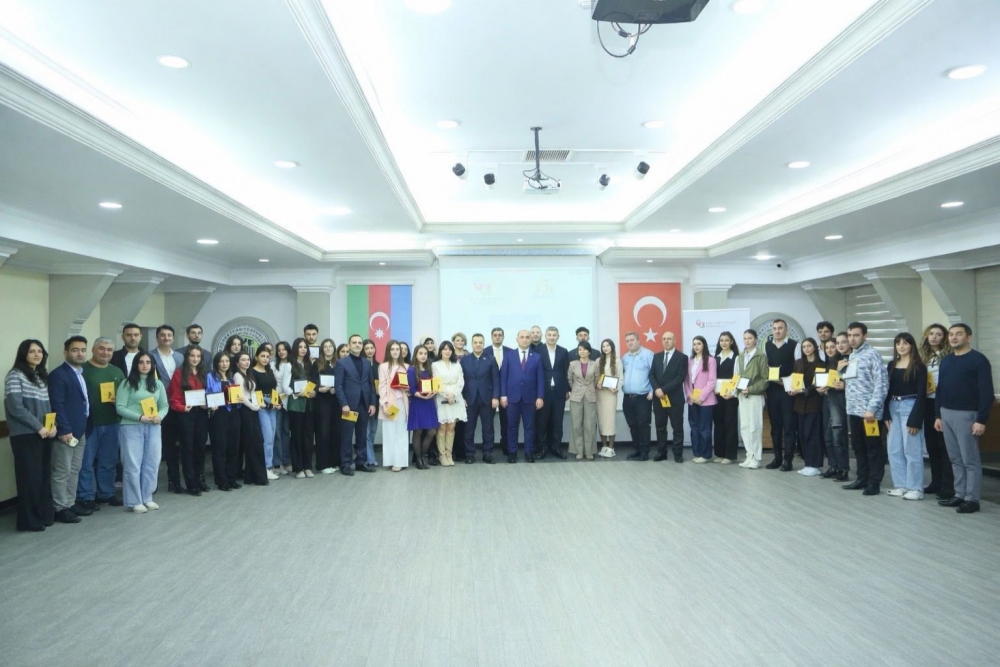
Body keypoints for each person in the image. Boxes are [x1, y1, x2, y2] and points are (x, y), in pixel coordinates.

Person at [935, 323, 995, 514]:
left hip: (967, 415)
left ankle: (972, 499)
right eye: (951, 334)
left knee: (970, 460)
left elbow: (987, 393)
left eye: (959, 334)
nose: (953, 337)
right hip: (946, 413)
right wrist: (938, 415)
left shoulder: (978, 360)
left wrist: (981, 419)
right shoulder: (946, 361)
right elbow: (940, 389)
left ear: (968, 337)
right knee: (955, 458)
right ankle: (959, 494)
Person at [4, 340, 57, 531]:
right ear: (23, 354)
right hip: (25, 435)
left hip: (44, 434)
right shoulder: (15, 375)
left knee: (43, 477)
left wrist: (52, 426)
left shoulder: (40, 377)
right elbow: (15, 407)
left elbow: (47, 407)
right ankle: (29, 521)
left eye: (40, 351)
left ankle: (44, 516)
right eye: (32, 351)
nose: (37, 354)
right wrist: (39, 427)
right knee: (29, 479)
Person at [46, 336, 92, 523]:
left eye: (83, 350)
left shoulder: (80, 373)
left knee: (74, 469)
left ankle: (70, 503)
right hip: (66, 433)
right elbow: (57, 403)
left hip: (79, 431)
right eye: (75, 350)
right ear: (65, 352)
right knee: (62, 471)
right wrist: (64, 429)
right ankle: (60, 508)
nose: (80, 353)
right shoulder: (58, 374)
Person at [116, 352, 169, 513]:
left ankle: (147, 498)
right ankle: (134, 501)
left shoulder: (158, 384)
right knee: (132, 464)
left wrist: (159, 416)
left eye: (148, 362)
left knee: (152, 463)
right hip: (131, 427)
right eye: (141, 362)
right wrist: (140, 417)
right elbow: (120, 407)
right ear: (135, 364)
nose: (144, 365)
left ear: (152, 365)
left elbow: (164, 405)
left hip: (153, 427)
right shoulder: (126, 383)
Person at [841, 322, 889, 496]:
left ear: (865, 336)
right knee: (858, 447)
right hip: (853, 410)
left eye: (856, 335)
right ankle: (862, 478)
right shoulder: (852, 355)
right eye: (849, 335)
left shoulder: (872, 354)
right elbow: (850, 381)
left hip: (869, 413)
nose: (852, 339)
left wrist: (872, 409)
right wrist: (840, 371)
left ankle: (874, 482)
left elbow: (881, 384)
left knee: (873, 448)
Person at [79, 337, 125, 509]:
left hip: (113, 423)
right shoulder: (82, 370)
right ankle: (86, 496)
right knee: (86, 462)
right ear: (93, 349)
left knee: (109, 462)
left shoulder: (117, 372)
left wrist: (119, 402)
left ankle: (106, 493)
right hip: (89, 424)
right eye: (102, 348)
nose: (105, 352)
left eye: (109, 349)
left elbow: (125, 396)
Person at [883, 333, 927, 499]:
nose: (901, 346)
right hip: (893, 406)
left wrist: (916, 419)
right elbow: (887, 390)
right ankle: (901, 485)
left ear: (912, 345)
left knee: (912, 449)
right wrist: (885, 412)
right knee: (893, 449)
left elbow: (922, 394)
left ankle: (916, 488)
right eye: (898, 343)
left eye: (905, 343)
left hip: (910, 406)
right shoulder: (892, 364)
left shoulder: (918, 366)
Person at [167, 347, 211, 495]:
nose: (195, 359)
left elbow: (208, 393)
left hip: (201, 413)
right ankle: (191, 483)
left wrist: (207, 404)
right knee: (188, 448)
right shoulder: (179, 373)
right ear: (187, 357)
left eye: (198, 356)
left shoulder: (204, 373)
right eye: (192, 356)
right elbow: (173, 397)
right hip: (185, 413)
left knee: (200, 447)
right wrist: (182, 407)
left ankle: (200, 479)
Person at [149, 325, 185, 493]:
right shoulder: (150, 356)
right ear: (157, 337)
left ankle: (175, 481)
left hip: (179, 405)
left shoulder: (179, 357)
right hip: (160, 406)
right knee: (161, 446)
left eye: (169, 335)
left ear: (173, 337)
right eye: (162, 335)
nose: (166, 338)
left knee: (177, 446)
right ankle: (153, 483)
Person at [334, 335, 377, 476]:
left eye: (359, 343)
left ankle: (360, 462)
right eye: (354, 342)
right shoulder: (342, 363)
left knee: (362, 435)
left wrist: (372, 403)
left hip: (364, 404)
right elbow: (338, 386)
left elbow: (371, 385)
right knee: (347, 436)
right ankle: (345, 464)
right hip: (349, 406)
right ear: (349, 345)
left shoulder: (366, 363)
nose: (357, 345)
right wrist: (344, 404)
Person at [919, 324, 953, 499]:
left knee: (944, 445)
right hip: (927, 402)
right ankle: (936, 481)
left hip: (943, 402)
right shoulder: (922, 356)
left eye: (938, 334)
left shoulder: (948, 356)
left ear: (944, 337)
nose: (934, 337)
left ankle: (948, 485)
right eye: (931, 333)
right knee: (931, 445)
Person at [500, 330, 545, 463]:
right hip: (512, 398)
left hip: (530, 398)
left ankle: (528, 452)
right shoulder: (509, 355)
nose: (525, 339)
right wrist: (503, 395)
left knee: (529, 427)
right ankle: (512, 452)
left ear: (530, 339)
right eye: (522, 337)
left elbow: (540, 379)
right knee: (512, 426)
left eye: (527, 337)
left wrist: (540, 396)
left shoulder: (537, 357)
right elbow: (503, 377)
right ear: (517, 339)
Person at [764, 319, 799, 471]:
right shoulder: (767, 345)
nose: (777, 331)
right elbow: (765, 367)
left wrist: (785, 382)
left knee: (789, 426)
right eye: (775, 328)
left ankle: (788, 460)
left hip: (788, 391)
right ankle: (777, 458)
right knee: (775, 427)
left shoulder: (794, 345)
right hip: (772, 390)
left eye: (780, 328)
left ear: (786, 329)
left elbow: (798, 368)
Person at [460, 333, 500, 464]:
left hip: (487, 399)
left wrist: (495, 397)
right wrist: (462, 397)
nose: (478, 345)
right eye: (475, 342)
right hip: (469, 400)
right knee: (469, 429)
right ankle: (470, 454)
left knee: (488, 428)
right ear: (472, 344)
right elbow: (461, 381)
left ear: (483, 344)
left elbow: (496, 379)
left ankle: (487, 453)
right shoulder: (465, 360)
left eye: (480, 342)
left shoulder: (491, 359)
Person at [650, 331, 688, 463]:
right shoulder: (656, 356)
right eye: (664, 339)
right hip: (659, 399)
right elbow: (651, 375)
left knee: (677, 427)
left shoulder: (682, 357)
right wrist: (657, 389)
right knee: (660, 427)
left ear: (675, 340)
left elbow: (680, 378)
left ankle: (678, 453)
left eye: (669, 339)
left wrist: (663, 390)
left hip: (675, 398)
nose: (666, 341)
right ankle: (662, 453)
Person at [789, 338, 824, 476]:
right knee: (803, 434)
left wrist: (803, 391)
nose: (806, 348)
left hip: (813, 403)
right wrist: (792, 389)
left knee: (812, 434)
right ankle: (808, 463)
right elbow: (794, 381)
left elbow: (818, 385)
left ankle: (815, 465)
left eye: (809, 346)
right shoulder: (798, 363)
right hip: (799, 404)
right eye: (804, 347)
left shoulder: (821, 364)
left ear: (815, 347)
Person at [232, 352, 268, 486]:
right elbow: (240, 396)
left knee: (257, 441)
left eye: (248, 359)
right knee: (252, 442)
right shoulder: (237, 376)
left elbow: (253, 393)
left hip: (253, 409)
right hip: (245, 410)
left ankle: (253, 475)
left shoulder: (249, 374)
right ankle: (255, 476)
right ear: (237, 363)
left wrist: (259, 403)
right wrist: (253, 407)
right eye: (243, 360)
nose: (246, 362)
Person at [206, 352, 240, 490]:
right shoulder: (210, 376)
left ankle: (231, 478)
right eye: (221, 361)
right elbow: (207, 393)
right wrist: (210, 403)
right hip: (218, 414)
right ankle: (222, 481)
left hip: (233, 413)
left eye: (227, 361)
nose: (224, 364)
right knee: (220, 449)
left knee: (233, 448)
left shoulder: (232, 378)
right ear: (216, 363)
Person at [817, 336, 849, 481]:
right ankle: (833, 466)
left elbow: (846, 382)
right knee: (828, 437)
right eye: (827, 347)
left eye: (833, 346)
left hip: (838, 402)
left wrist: (843, 385)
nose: (830, 349)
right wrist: (821, 389)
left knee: (838, 437)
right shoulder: (828, 363)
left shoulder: (844, 361)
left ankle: (843, 468)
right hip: (827, 401)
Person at [736, 330, 768, 469]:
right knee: (745, 427)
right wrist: (737, 389)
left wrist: (751, 389)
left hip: (755, 395)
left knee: (755, 427)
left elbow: (765, 378)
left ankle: (756, 457)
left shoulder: (761, 355)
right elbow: (738, 375)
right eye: (745, 338)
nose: (747, 341)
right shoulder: (741, 355)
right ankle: (749, 455)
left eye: (750, 338)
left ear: (755, 339)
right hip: (742, 395)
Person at [536, 326, 569, 460]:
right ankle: (542, 447)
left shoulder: (563, 351)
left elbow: (566, 372)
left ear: (558, 337)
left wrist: (567, 389)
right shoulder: (538, 351)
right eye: (549, 335)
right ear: (545, 336)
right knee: (542, 422)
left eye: (554, 335)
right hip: (543, 393)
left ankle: (556, 447)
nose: (551, 337)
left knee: (557, 421)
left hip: (559, 393)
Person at [431, 340, 466, 466]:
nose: (447, 351)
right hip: (441, 397)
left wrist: (453, 394)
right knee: (442, 427)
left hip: (456, 397)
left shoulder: (457, 364)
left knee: (451, 427)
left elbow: (460, 382)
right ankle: (442, 455)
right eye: (445, 349)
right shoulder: (435, 365)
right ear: (440, 351)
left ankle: (449, 454)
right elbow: (436, 382)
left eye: (450, 349)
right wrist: (446, 395)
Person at [285, 338, 316, 478]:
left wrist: (314, 392)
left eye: (305, 347)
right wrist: (295, 393)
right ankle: (298, 468)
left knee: (308, 437)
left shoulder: (310, 364)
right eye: (300, 347)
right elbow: (285, 387)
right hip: (296, 405)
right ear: (295, 349)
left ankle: (308, 467)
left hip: (309, 405)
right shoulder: (289, 365)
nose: (303, 349)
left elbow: (314, 382)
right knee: (296, 437)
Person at [683, 336, 717, 464]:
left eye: (699, 344)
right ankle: (697, 453)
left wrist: (701, 397)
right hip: (692, 399)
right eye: (694, 344)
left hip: (706, 400)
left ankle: (705, 454)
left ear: (704, 345)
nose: (696, 346)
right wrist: (689, 394)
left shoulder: (710, 360)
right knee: (694, 427)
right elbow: (686, 380)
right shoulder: (690, 360)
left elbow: (712, 381)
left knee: (705, 428)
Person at [621, 332, 654, 461]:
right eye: (627, 341)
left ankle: (645, 452)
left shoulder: (648, 354)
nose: (630, 343)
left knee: (643, 425)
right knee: (633, 425)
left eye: (632, 340)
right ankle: (637, 449)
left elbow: (654, 374)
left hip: (643, 397)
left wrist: (652, 391)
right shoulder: (625, 357)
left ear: (639, 340)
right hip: (627, 397)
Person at [378, 340, 410, 471]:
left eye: (398, 349)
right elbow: (382, 387)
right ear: (388, 351)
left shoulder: (406, 366)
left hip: (402, 402)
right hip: (390, 403)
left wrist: (406, 389)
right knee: (389, 432)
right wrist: (384, 403)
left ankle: (400, 461)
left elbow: (409, 386)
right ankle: (391, 460)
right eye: (393, 349)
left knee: (401, 432)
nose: (395, 352)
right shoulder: (383, 366)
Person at [251, 347, 282, 480]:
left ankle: (268, 466)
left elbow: (273, 388)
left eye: (267, 357)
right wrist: (268, 404)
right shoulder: (252, 372)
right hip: (262, 405)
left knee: (272, 436)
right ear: (256, 357)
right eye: (262, 356)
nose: (265, 359)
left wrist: (278, 402)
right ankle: (265, 467)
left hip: (272, 405)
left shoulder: (269, 371)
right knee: (267, 437)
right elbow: (255, 392)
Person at [310, 338, 339, 474]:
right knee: (323, 432)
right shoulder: (316, 363)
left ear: (334, 348)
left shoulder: (339, 363)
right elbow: (311, 381)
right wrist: (318, 389)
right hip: (322, 401)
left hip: (336, 401)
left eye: (330, 346)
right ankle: (323, 464)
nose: (328, 348)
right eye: (325, 346)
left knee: (335, 431)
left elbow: (342, 381)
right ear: (322, 349)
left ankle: (334, 462)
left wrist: (336, 389)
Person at [407, 346, 438, 469]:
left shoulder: (429, 369)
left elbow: (434, 384)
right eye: (420, 353)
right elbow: (412, 389)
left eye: (425, 353)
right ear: (415, 355)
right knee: (418, 430)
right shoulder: (411, 370)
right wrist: (423, 397)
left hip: (429, 402)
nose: (423, 356)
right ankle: (419, 459)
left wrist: (434, 391)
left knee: (432, 431)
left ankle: (424, 455)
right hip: (418, 402)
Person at [567, 340, 599, 460]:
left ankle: (589, 451)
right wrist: (576, 388)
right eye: (580, 349)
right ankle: (578, 451)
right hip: (576, 396)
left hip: (590, 395)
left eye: (584, 349)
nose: (582, 351)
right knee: (576, 424)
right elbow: (569, 379)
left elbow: (597, 379)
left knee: (590, 425)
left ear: (589, 351)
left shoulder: (595, 364)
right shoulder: (572, 364)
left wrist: (589, 388)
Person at [712, 332, 739, 464]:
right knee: (718, 424)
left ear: (731, 342)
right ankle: (720, 453)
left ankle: (730, 455)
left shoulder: (736, 358)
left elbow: (737, 377)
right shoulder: (715, 357)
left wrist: (733, 393)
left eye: (726, 340)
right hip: (717, 395)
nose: (724, 343)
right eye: (721, 340)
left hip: (730, 396)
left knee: (730, 425)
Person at [596, 339, 623, 458]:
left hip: (611, 394)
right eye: (603, 346)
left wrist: (616, 388)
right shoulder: (598, 361)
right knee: (601, 420)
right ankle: (604, 446)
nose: (605, 348)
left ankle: (611, 448)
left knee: (610, 421)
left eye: (607, 345)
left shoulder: (617, 360)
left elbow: (620, 378)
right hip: (600, 394)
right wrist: (597, 383)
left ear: (612, 346)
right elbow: (596, 377)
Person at [271, 341, 293, 475]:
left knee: (286, 432)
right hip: (276, 400)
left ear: (288, 351)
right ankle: (277, 463)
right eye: (279, 350)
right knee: (277, 433)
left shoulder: (292, 364)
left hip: (289, 401)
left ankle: (287, 461)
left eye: (284, 349)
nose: (281, 352)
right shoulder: (273, 365)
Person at [489, 327, 512, 454]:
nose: (497, 337)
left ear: (503, 337)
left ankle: (506, 446)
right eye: (495, 335)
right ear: (491, 337)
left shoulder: (511, 352)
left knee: (506, 421)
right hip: (489, 393)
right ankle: (489, 449)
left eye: (500, 335)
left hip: (506, 392)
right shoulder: (485, 351)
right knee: (488, 423)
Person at [451, 333, 468, 460]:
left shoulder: (469, 355)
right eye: (457, 340)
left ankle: (461, 451)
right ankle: (451, 451)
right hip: (451, 393)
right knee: (452, 424)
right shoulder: (449, 355)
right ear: (453, 342)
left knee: (462, 425)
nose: (460, 342)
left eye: (462, 340)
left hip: (466, 392)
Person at [362, 339, 379, 467]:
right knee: (366, 431)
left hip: (377, 401)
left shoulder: (379, 366)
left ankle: (367, 454)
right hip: (364, 401)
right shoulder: (361, 364)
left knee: (373, 430)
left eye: (371, 348)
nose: (369, 350)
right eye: (367, 348)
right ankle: (370, 458)